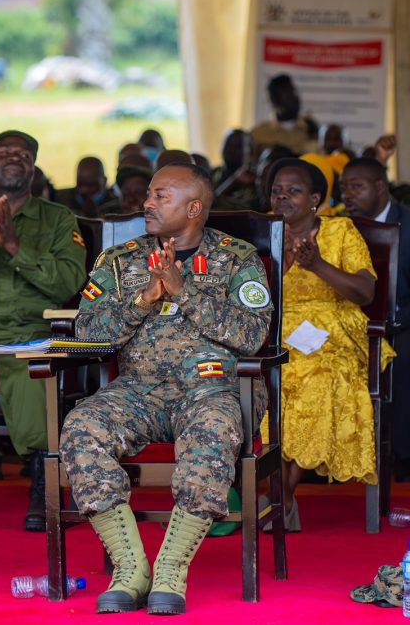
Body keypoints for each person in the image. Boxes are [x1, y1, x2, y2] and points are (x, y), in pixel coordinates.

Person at [59, 163, 273, 615]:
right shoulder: (121, 262)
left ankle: (171, 568)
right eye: (149, 195)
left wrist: (185, 292)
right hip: (140, 391)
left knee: (212, 431)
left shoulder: (238, 258)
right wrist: (143, 301)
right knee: (81, 426)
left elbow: (253, 336)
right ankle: (131, 567)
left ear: (194, 207)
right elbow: (88, 331)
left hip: (214, 388)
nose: (146, 203)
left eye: (160, 196)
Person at [0, 130, 86, 531]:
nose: (13, 157)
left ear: (33, 167)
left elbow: (68, 282)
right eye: (3, 152)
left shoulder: (58, 219)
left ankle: (43, 490)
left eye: (23, 153)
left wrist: (13, 246)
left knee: (31, 376)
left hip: (28, 329)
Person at [265, 157, 386, 529]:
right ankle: (282, 498)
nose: (283, 197)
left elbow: (365, 292)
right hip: (275, 330)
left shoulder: (341, 231)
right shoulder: (262, 234)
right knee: (266, 381)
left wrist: (317, 264)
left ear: (315, 198)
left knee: (317, 377)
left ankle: (277, 496)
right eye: (277, 190)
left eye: (294, 190)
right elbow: (249, 298)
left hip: (333, 329)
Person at [338, 157, 410, 482]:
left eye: (356, 187)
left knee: (401, 352)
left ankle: (404, 458)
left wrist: (386, 323)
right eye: (343, 188)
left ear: (380, 187)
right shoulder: (338, 226)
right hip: (352, 320)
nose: (348, 195)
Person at [250, 74, 319, 157]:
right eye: (288, 96)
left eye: (295, 93)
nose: (295, 99)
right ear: (275, 101)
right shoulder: (259, 134)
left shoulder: (312, 129)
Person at [53, 156, 119, 217]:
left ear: (104, 181)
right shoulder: (60, 201)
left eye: (92, 185)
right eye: (80, 184)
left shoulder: (117, 205)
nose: (84, 190)